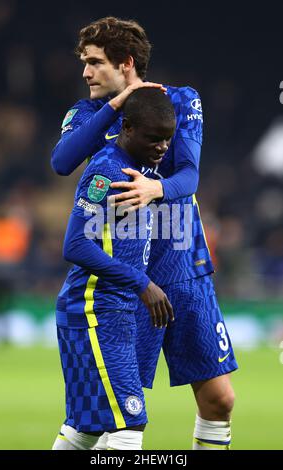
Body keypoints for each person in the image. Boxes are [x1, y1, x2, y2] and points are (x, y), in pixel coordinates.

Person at [51, 16, 238, 450]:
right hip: (129, 276)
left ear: (126, 63)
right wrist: (115, 109)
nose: (85, 73)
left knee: (219, 400)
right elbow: (62, 163)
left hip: (183, 266)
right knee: (104, 419)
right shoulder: (86, 114)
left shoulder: (180, 100)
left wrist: (157, 188)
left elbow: (190, 176)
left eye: (95, 63)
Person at [52, 88, 175, 451]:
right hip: (94, 309)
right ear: (127, 128)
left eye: (167, 140)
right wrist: (142, 282)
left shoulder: (143, 172)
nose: (162, 148)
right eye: (153, 139)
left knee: (86, 427)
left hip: (109, 310)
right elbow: (74, 245)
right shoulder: (106, 169)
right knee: (129, 424)